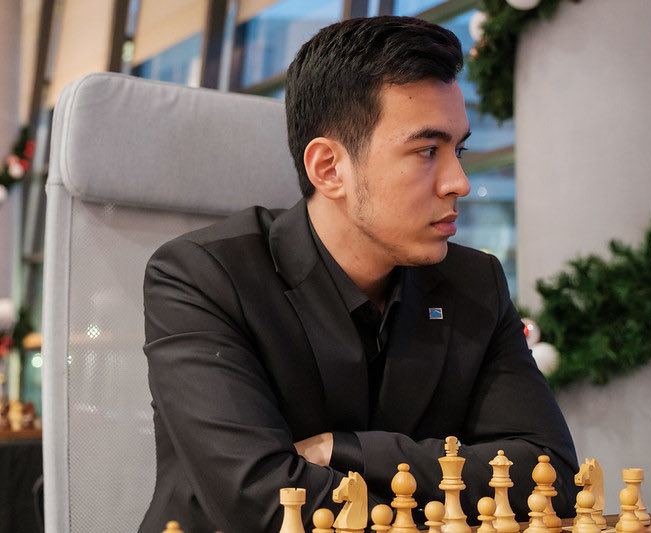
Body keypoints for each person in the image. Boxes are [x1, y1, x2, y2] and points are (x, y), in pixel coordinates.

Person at [139, 16, 578, 533]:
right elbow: (262, 504)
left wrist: (348, 450)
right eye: (427, 151)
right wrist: (442, 493)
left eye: (458, 150)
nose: (459, 181)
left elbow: (551, 476)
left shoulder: (474, 283)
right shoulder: (202, 278)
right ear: (329, 169)